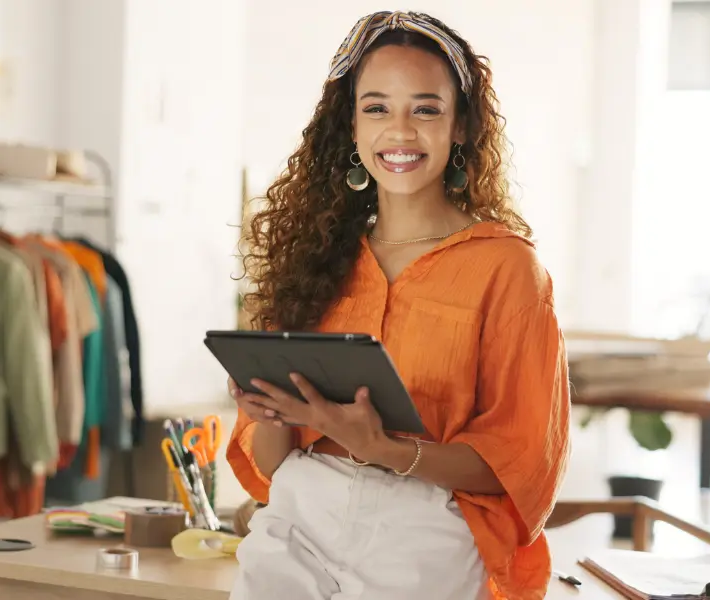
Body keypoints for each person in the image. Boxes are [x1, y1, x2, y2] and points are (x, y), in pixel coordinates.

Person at [226, 10, 571, 600]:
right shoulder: (317, 260)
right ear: (352, 127)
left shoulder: (507, 268)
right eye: (377, 107)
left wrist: (386, 450)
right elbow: (272, 465)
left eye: (427, 109)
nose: (401, 132)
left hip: (426, 529)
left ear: (461, 125)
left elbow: (520, 465)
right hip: (298, 516)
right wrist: (269, 413)